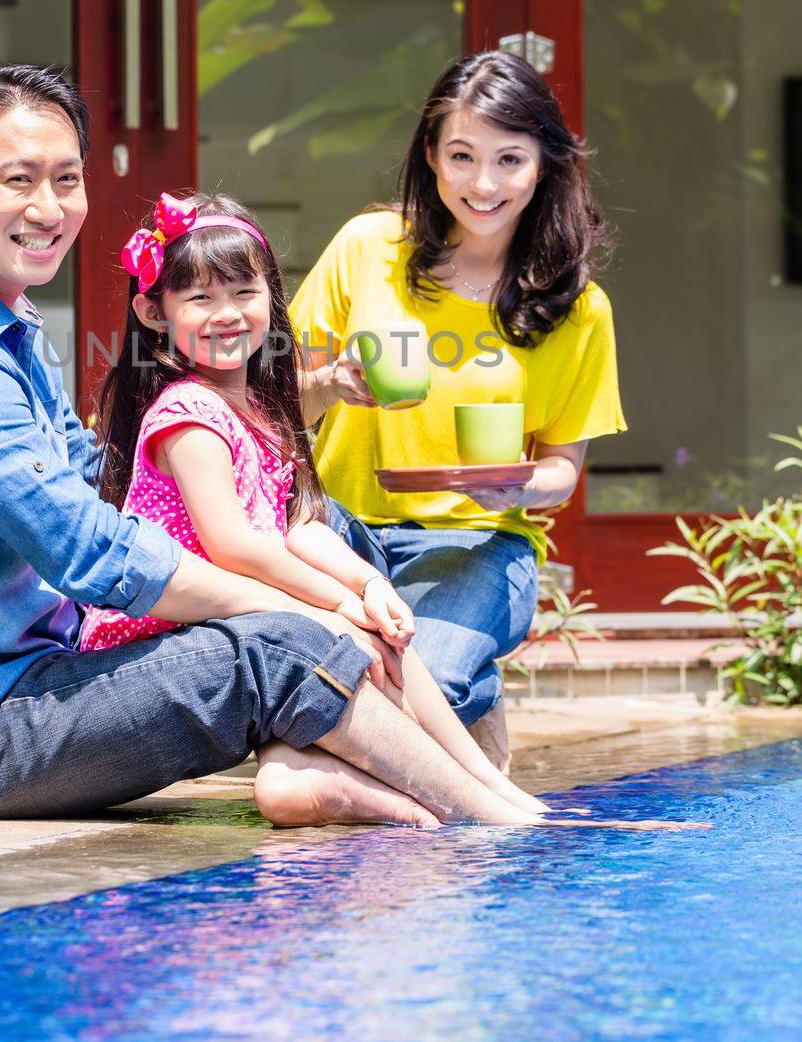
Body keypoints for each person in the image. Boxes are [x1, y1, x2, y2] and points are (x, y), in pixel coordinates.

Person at [0, 64, 568, 826]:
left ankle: (453, 793)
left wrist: (322, 585)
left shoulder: (4, 327)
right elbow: (91, 549)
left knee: (314, 536)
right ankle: (490, 823)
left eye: (66, 178)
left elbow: (98, 483)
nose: (48, 208)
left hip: (40, 679)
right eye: (17, 180)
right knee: (277, 644)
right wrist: (302, 610)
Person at [82, 189, 559, 828]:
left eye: (243, 293)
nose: (226, 314)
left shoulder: (253, 408)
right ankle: (480, 802)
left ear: (271, 300)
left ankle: (473, 788)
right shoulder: (186, 414)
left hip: (239, 617)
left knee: (380, 629)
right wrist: (331, 604)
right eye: (200, 299)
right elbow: (234, 544)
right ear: (154, 311)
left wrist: (366, 584)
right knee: (352, 630)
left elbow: (297, 526)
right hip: (166, 636)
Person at [291, 50, 627, 774]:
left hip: (477, 546)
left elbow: (563, 470)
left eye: (509, 159)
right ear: (430, 157)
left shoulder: (577, 308)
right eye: (462, 156)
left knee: (399, 699)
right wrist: (329, 384)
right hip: (338, 538)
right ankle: (472, 698)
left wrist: (517, 487)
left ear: (545, 165)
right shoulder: (367, 247)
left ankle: (456, 678)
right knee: (320, 704)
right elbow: (272, 402)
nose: (482, 184)